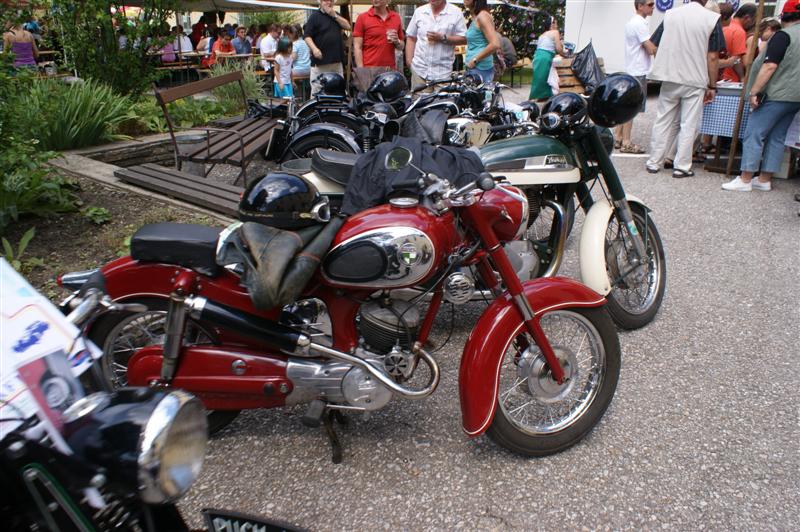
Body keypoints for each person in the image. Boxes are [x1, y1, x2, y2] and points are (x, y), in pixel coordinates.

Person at [722, 0, 800, 192]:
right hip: (795, 96)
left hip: (775, 94)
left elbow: (770, 65)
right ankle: (764, 179)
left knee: (754, 133)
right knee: (777, 136)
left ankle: (746, 178)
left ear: (784, 15)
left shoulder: (783, 36)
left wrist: (754, 91)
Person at [644, 0, 725, 178]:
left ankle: (654, 162)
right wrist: (712, 84)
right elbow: (713, 56)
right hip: (695, 78)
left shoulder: (671, 14)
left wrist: (665, 63)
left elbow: (653, 44)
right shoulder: (712, 18)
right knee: (689, 124)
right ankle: (681, 166)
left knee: (663, 120)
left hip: (670, 75)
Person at [615, 0, 656, 154]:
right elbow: (650, 48)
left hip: (633, 68)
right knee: (631, 108)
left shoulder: (633, 22)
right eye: (650, 4)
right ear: (640, 6)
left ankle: (618, 137)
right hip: (638, 70)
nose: (653, 7)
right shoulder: (639, 24)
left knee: (626, 105)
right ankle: (626, 142)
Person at [405, 0, 467, 89]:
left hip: (443, 74)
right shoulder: (419, 12)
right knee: (418, 102)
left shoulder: (455, 12)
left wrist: (443, 38)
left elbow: (464, 39)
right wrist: (409, 62)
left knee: (441, 102)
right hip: (419, 72)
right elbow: (411, 37)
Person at [304, 0, 351, 96]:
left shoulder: (336, 15)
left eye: (331, 0)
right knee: (317, 91)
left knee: (338, 89)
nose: (329, 3)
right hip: (320, 63)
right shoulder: (314, 16)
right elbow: (307, 36)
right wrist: (314, 49)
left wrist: (334, 15)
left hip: (336, 62)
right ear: (320, 2)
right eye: (326, 0)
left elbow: (348, 26)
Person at [353, 0, 405, 69]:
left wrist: (397, 41)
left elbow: (401, 46)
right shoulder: (362, 18)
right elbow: (357, 47)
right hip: (369, 69)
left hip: (389, 69)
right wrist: (361, 70)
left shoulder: (396, 17)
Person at [529, 15, 566, 100]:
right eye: (556, 23)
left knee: (539, 78)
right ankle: (546, 97)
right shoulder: (555, 32)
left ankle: (538, 97)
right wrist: (565, 54)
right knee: (546, 78)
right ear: (552, 25)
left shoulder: (542, 35)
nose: (557, 26)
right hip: (545, 57)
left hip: (537, 56)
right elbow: (558, 48)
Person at [463, 0, 500, 83]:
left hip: (480, 69)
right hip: (475, 68)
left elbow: (495, 44)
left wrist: (475, 60)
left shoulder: (483, 16)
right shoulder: (477, 17)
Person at [720, 3, 756, 82]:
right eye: (754, 21)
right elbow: (737, 60)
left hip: (717, 76)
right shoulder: (739, 31)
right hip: (730, 79)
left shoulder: (723, 25)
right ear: (747, 18)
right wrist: (742, 77)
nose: (753, 24)